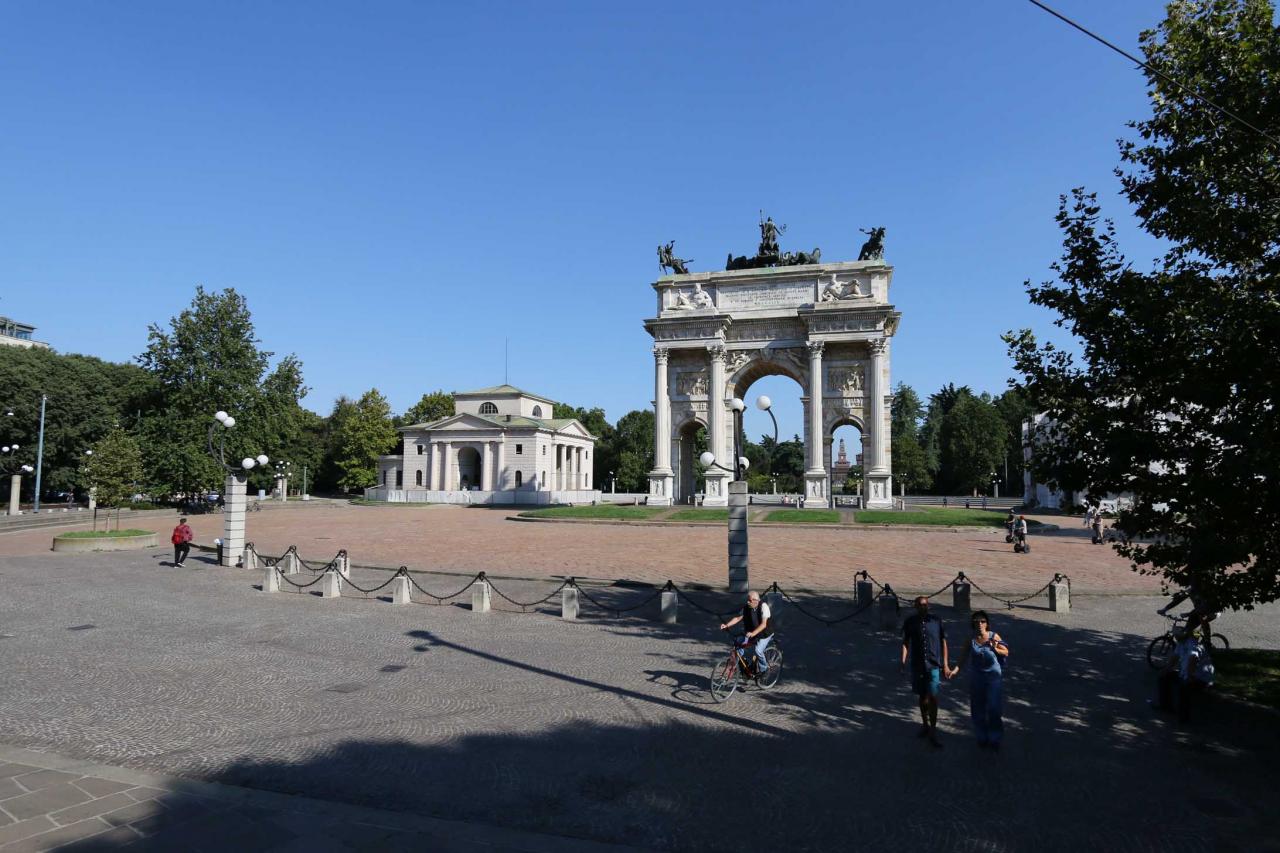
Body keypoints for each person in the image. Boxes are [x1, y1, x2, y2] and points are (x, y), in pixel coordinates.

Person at [948, 611, 1009, 749]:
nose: (979, 624)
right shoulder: (970, 639)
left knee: (994, 708)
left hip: (993, 677)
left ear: (987, 623)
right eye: (976, 621)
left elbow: (1006, 651)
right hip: (977, 677)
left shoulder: (994, 636)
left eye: (982, 621)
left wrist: (995, 649)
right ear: (973, 623)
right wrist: (955, 671)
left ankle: (995, 738)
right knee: (977, 709)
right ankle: (981, 737)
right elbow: (963, 657)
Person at [901, 596, 951, 748]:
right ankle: (925, 724)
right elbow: (905, 643)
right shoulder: (910, 622)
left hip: (934, 664)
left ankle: (933, 730)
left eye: (925, 605)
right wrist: (902, 661)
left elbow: (943, 641)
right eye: (920, 605)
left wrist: (946, 664)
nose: (923, 607)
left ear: (928, 606)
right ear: (915, 606)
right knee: (922, 696)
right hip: (918, 664)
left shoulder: (936, 621)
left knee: (933, 697)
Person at [1154, 614, 1214, 722]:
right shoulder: (1181, 643)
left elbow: (1193, 658)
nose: (1176, 637)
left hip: (1199, 678)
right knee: (1163, 676)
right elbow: (1174, 658)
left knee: (1184, 687)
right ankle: (1166, 706)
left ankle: (1183, 717)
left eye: (1177, 636)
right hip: (1187, 674)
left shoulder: (1193, 643)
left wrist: (1189, 676)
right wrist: (1166, 669)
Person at [719, 590, 774, 678]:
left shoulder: (764, 607)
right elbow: (737, 618)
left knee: (758, 650)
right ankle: (740, 665)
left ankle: (764, 669)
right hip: (751, 633)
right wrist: (726, 625)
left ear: (756, 600)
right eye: (748, 600)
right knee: (737, 644)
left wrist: (753, 633)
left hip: (765, 634)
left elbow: (764, 625)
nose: (748, 602)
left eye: (750, 600)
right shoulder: (746, 607)